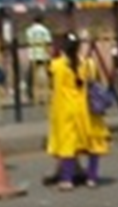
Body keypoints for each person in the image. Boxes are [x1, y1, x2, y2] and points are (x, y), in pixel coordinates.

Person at [45, 32, 109, 188]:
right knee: (93, 142)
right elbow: (95, 80)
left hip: (66, 110)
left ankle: (67, 179)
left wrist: (53, 55)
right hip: (87, 109)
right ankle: (92, 177)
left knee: (68, 143)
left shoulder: (57, 65)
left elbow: (50, 82)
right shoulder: (88, 64)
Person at [23, 14, 53, 104]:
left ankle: (30, 94)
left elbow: (28, 41)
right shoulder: (45, 30)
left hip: (33, 55)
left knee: (30, 76)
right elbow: (48, 43)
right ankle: (51, 91)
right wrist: (49, 55)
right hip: (44, 55)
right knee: (50, 73)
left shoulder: (29, 30)